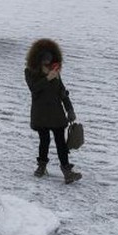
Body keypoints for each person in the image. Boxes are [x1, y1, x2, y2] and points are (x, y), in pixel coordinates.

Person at [24, 38, 81, 183]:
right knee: (44, 141)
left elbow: (62, 92)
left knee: (61, 142)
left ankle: (67, 171)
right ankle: (41, 166)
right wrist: (48, 78)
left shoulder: (55, 72)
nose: (47, 62)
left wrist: (70, 109)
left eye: (49, 58)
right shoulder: (30, 72)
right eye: (45, 58)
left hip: (56, 113)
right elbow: (34, 89)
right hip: (40, 114)